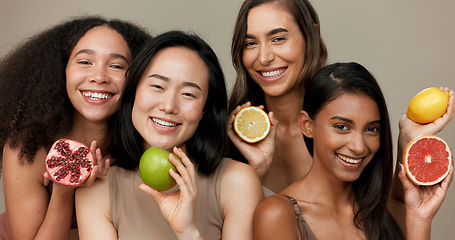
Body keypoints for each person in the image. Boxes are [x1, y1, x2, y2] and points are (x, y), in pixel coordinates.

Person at [227, 0, 455, 198]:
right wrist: (253, 176)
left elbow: (386, 220)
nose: (264, 57)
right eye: (250, 43)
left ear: (312, 35)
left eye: (277, 38)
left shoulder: (351, 128)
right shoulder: (231, 133)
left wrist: (406, 143)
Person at [75, 30, 264, 240]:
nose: (168, 106)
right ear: (133, 92)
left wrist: (188, 232)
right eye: (157, 86)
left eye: (188, 94)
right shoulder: (98, 190)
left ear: (204, 110)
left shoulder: (237, 182)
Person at [253, 62, 453, 240]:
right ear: (307, 125)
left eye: (371, 129)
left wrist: (420, 221)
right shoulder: (278, 215)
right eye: (342, 127)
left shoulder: (392, 213)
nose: (358, 146)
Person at [0, 16, 152, 239]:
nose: (99, 77)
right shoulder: (27, 147)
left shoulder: (145, 144)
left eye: (117, 66)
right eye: (84, 62)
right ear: (62, 70)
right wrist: (63, 191)